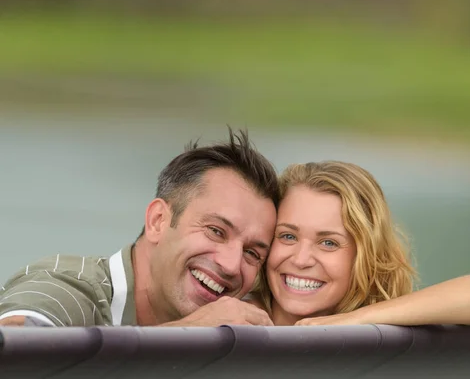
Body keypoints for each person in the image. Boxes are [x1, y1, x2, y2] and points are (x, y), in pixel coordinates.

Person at [0, 128, 279, 327]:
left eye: (252, 253)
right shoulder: (67, 285)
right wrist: (188, 335)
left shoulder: (241, 321)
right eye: (216, 231)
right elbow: (14, 350)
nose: (231, 265)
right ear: (158, 221)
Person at [249, 161, 470, 326]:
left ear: (365, 256)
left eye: (328, 242)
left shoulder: (385, 330)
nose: (301, 259)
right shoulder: (228, 317)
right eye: (287, 236)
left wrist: (356, 321)